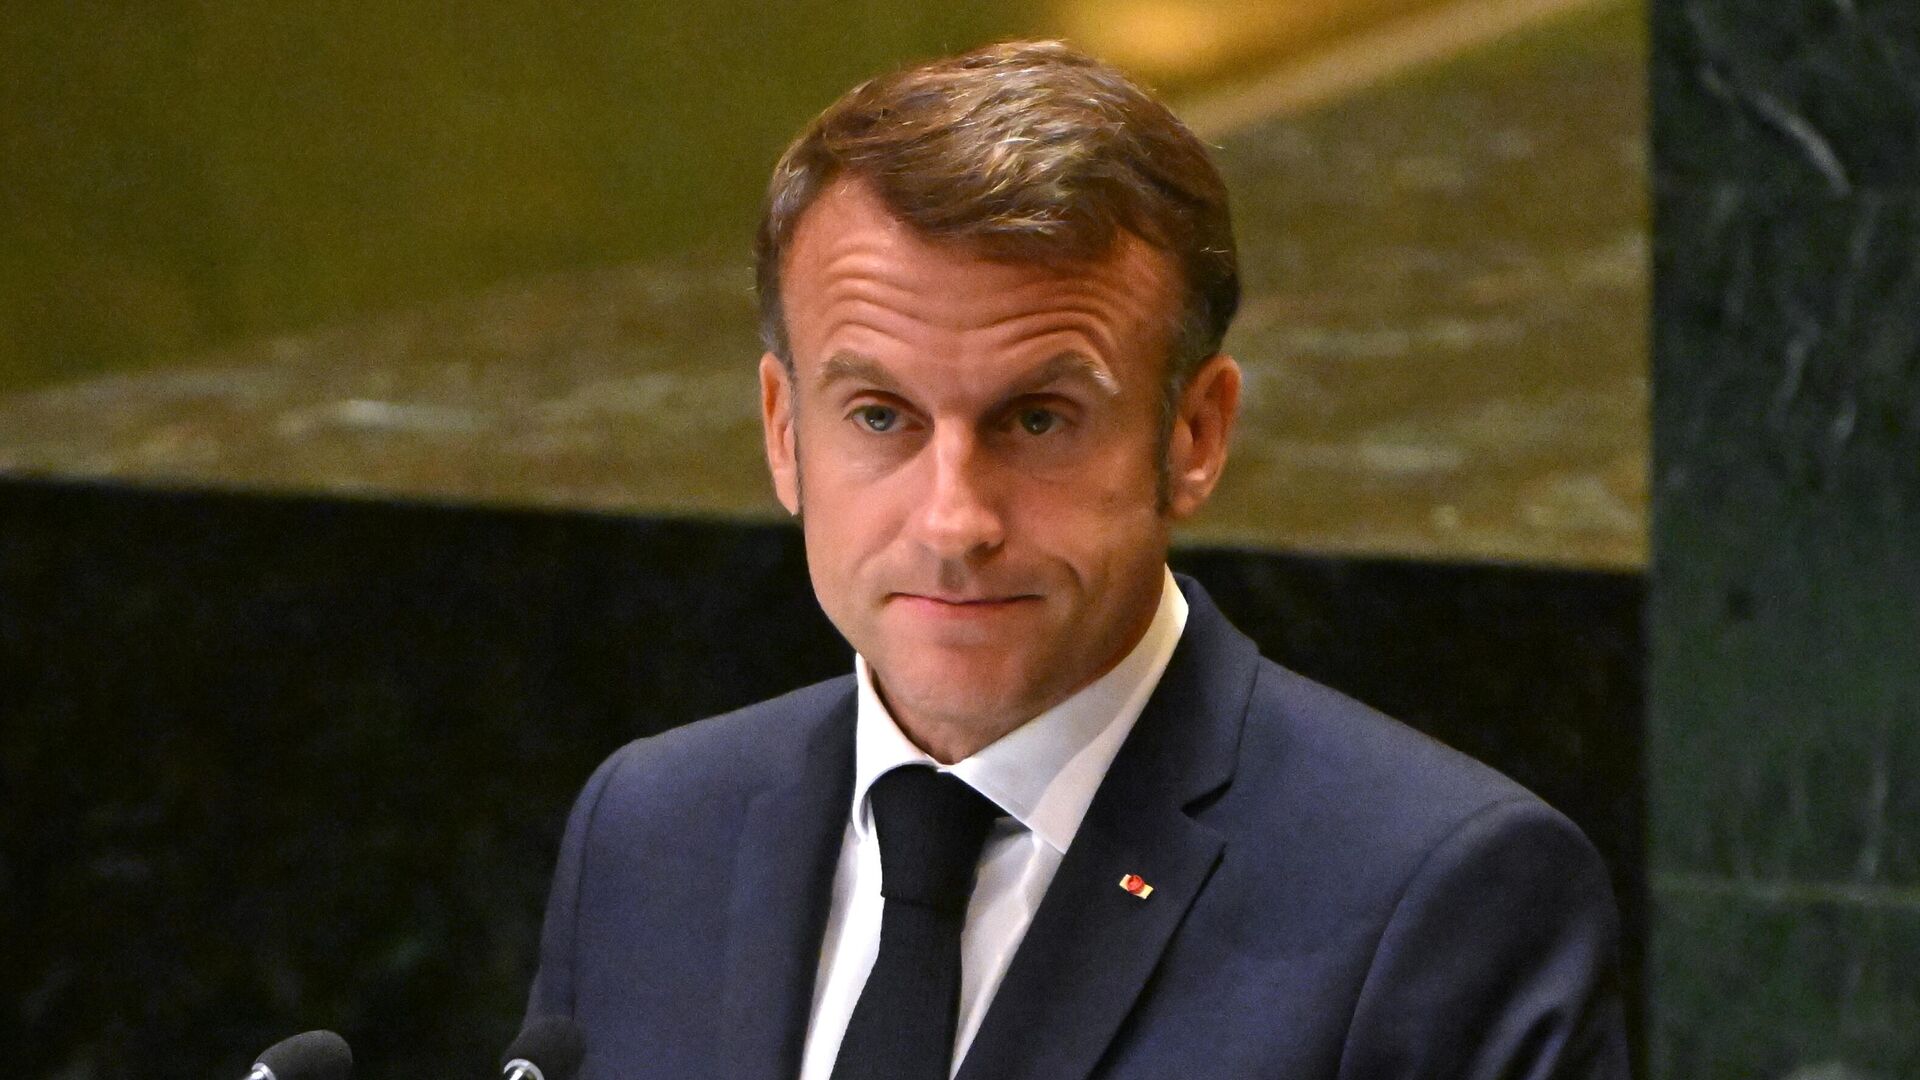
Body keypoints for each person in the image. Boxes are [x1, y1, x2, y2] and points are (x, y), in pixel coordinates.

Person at [524, 39, 1629, 1080]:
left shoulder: (1443, 899)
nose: (953, 522)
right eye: (880, 416)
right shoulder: (652, 827)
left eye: (1038, 420)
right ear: (782, 430)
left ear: (1193, 434)